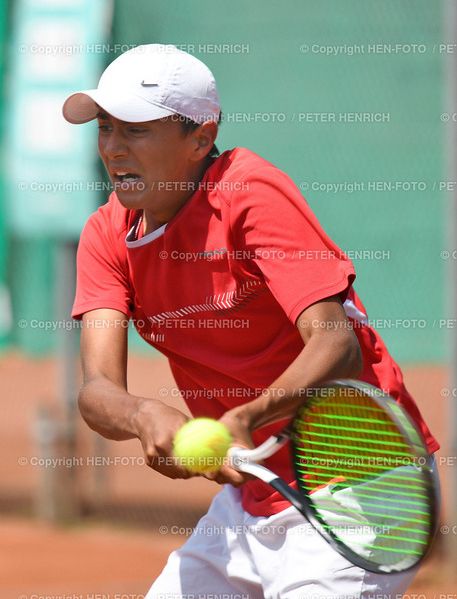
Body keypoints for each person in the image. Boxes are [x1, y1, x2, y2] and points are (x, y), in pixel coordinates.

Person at [63, 44, 439, 599]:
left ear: (200, 137)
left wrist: (251, 415)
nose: (113, 148)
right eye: (105, 128)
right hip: (251, 500)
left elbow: (337, 345)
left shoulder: (248, 192)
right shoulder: (106, 234)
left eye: (136, 130)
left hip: (361, 486)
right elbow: (97, 390)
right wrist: (144, 414)